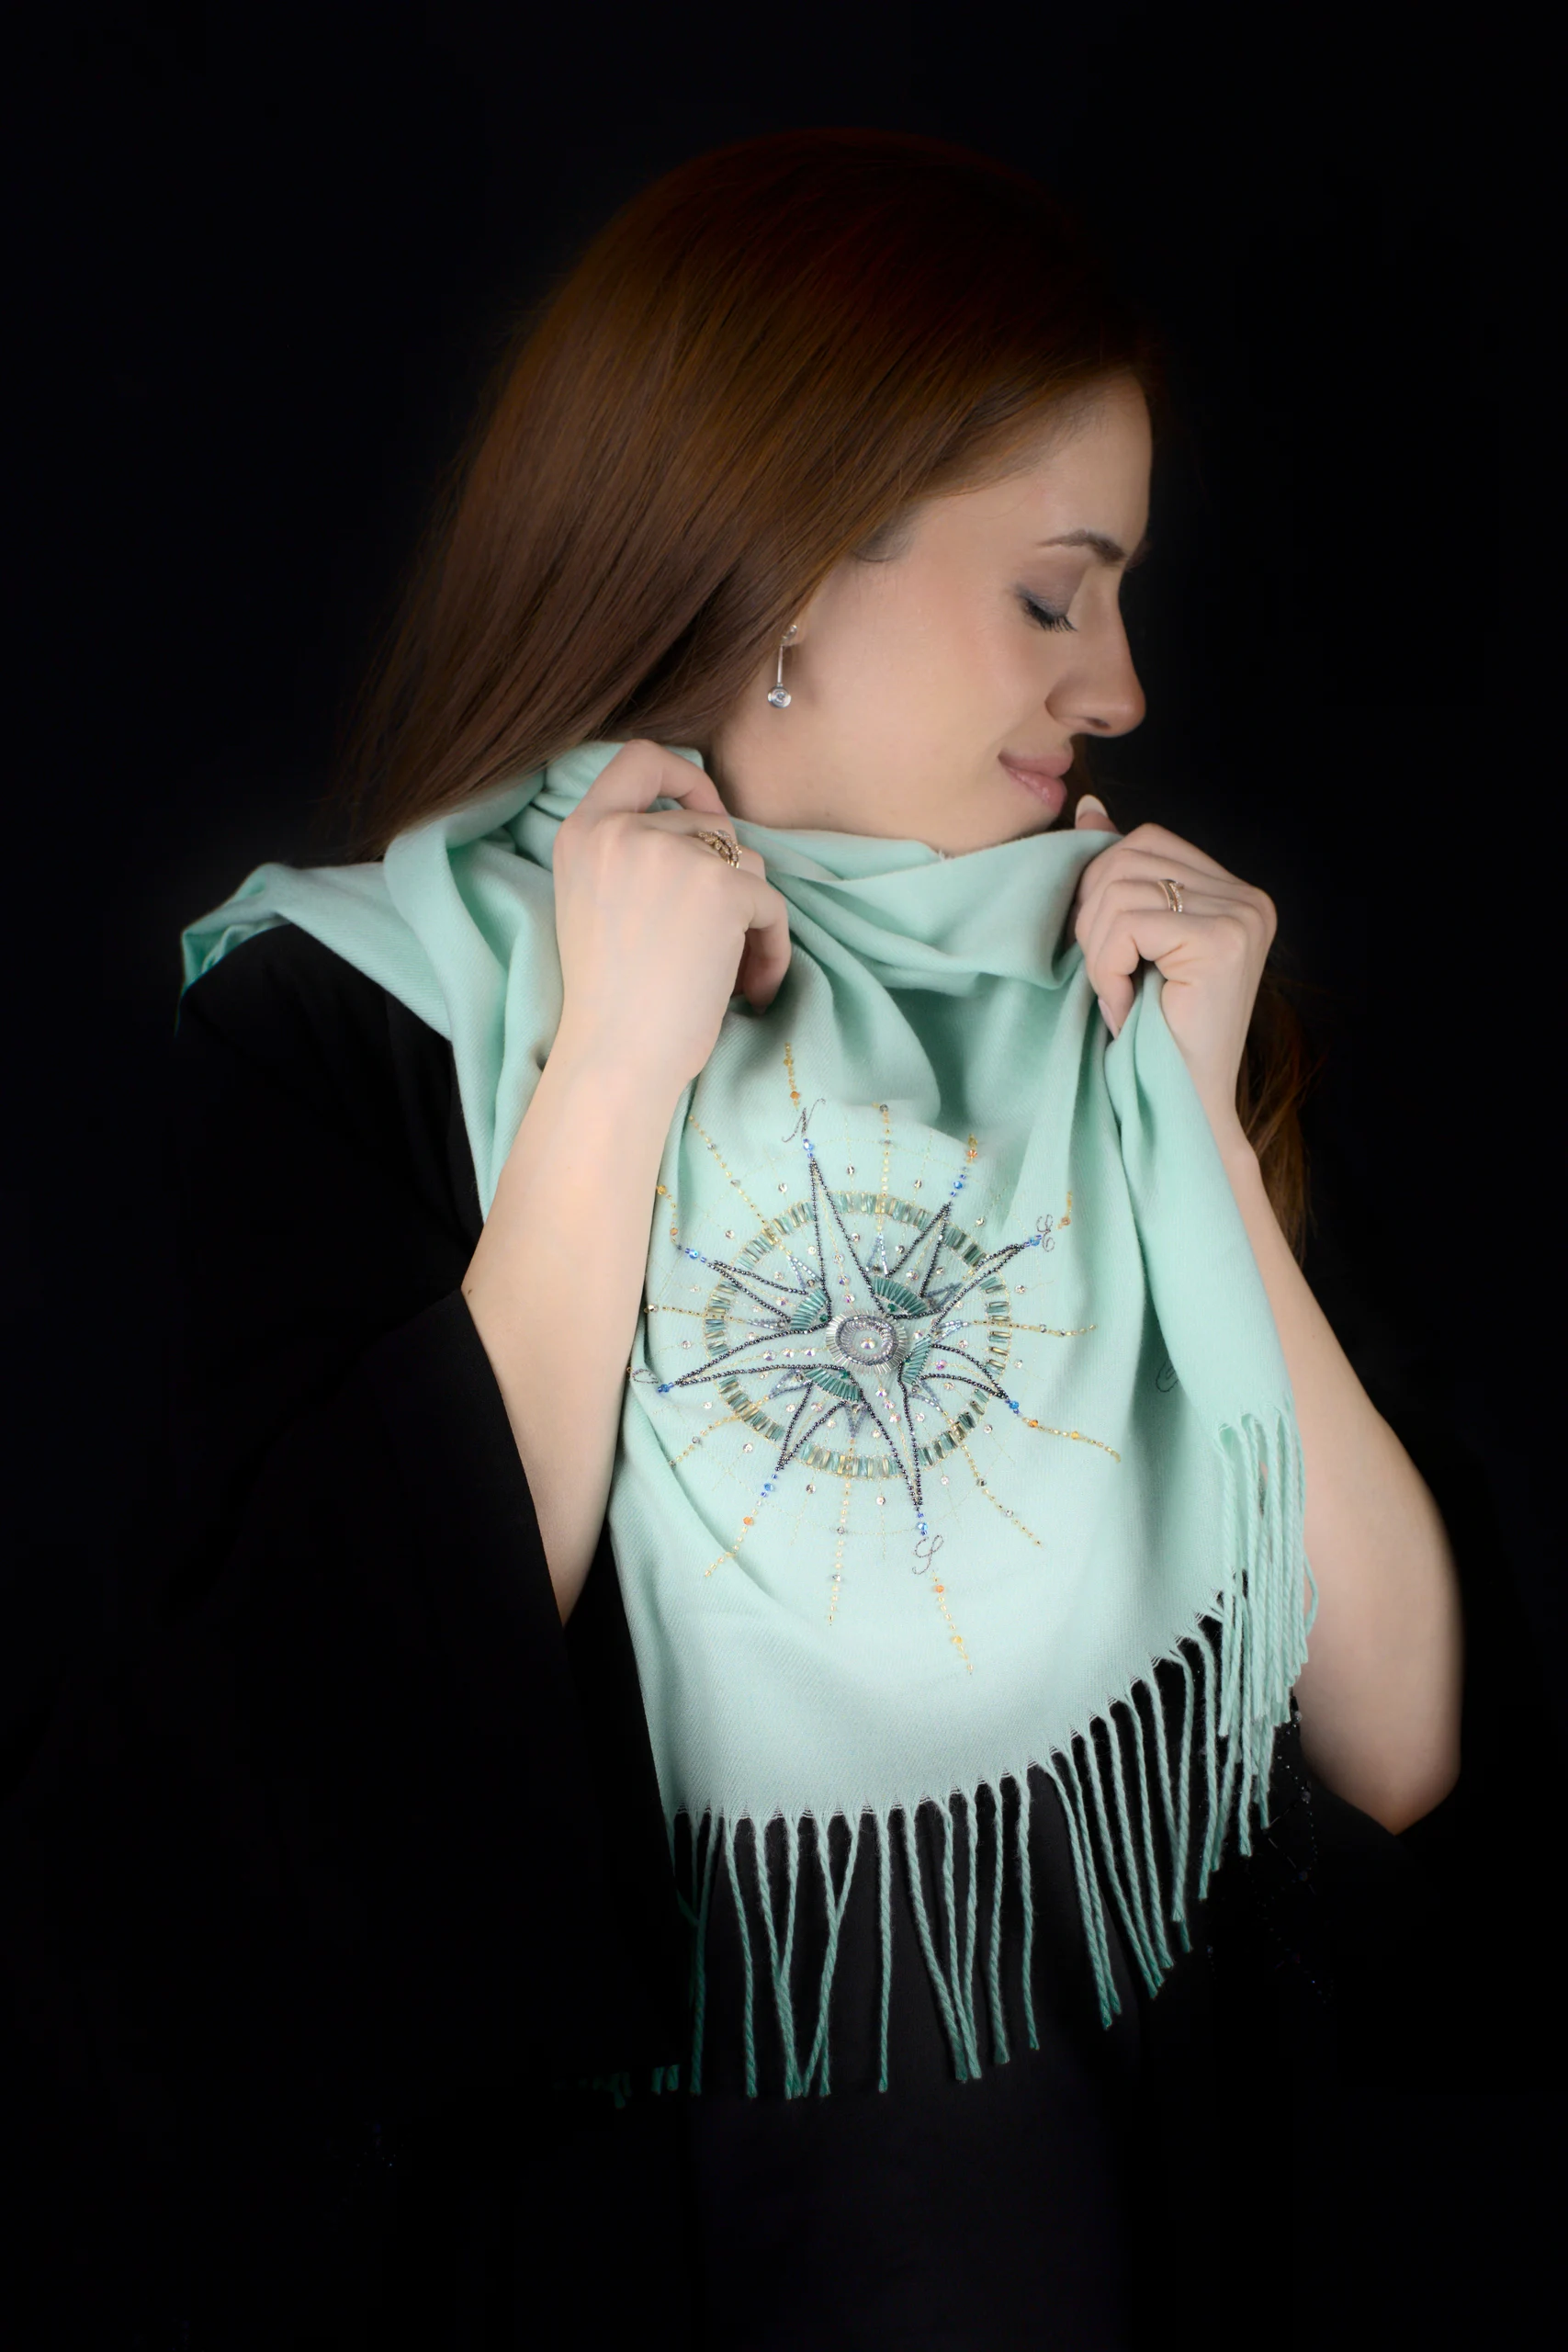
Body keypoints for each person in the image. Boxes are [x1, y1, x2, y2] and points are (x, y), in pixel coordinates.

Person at [1, 129, 1463, 2350]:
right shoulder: (368, 1025)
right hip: (588, 2268)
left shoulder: (1130, 1005)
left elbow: (1394, 1736)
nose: (1122, 685)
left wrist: (1200, 1144)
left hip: (1091, 2251)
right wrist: (604, 1077)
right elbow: (299, 1785)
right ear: (783, 574)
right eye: (1056, 589)